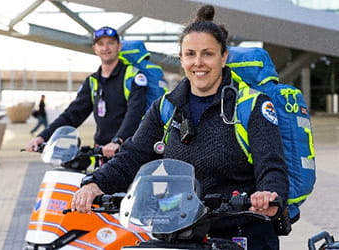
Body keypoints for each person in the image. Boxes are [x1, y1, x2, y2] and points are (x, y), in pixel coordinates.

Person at [72, 5, 288, 250]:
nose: (198, 63)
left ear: (223, 56)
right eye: (190, 54)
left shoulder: (251, 105)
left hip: (241, 229)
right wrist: (95, 184)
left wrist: (269, 194)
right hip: (182, 230)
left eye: (208, 54)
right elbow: (132, 156)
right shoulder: (166, 106)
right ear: (181, 58)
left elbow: (271, 164)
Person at [25, 26, 148, 159]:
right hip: (101, 151)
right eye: (100, 44)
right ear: (95, 49)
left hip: (127, 149)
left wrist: (118, 140)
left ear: (119, 46)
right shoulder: (92, 81)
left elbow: (135, 113)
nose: (105, 48)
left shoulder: (133, 76)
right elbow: (72, 115)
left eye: (110, 43)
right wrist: (42, 137)